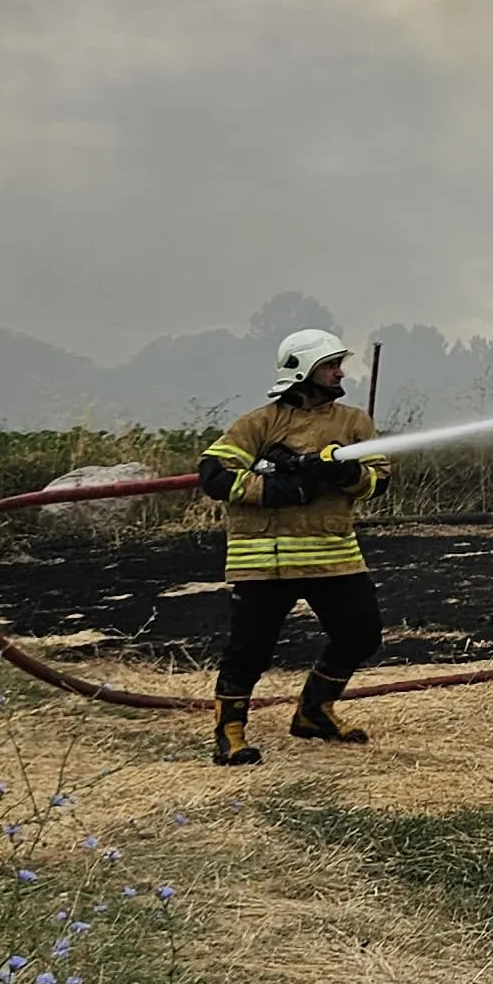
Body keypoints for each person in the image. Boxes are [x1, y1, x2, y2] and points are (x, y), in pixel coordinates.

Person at [195, 327, 391, 766]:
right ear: (304, 371)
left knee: (361, 634)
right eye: (330, 365)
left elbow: (379, 480)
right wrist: (279, 488)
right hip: (265, 559)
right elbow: (214, 475)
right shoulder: (258, 423)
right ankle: (230, 731)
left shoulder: (354, 423)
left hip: (332, 554)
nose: (341, 372)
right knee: (250, 649)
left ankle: (314, 711)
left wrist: (347, 475)